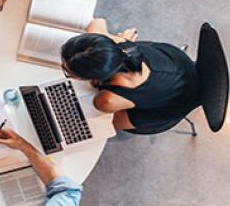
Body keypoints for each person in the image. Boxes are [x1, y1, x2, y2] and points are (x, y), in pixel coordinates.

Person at [60, 18, 201, 133]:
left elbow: (108, 113)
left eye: (67, 71)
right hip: (178, 63)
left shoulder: (105, 100)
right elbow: (97, 22)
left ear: (92, 77)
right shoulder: (118, 45)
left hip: (177, 103)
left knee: (104, 123)